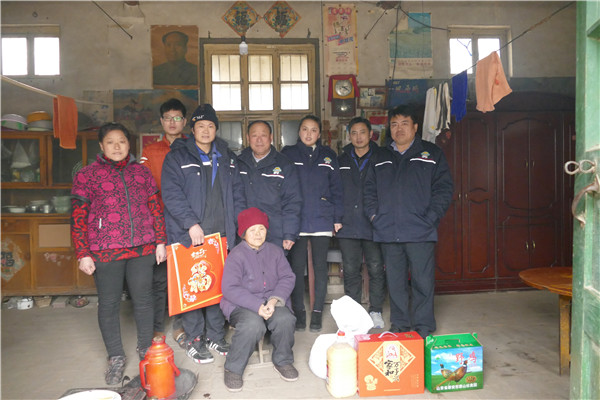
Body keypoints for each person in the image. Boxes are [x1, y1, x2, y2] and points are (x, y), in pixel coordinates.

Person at [71, 122, 167, 385]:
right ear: (101, 146)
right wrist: (82, 252)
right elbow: (78, 216)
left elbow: (155, 208)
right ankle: (115, 356)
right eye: (111, 142)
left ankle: (146, 348)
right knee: (109, 303)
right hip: (104, 251)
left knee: (144, 300)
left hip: (142, 248)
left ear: (129, 144)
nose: (117, 147)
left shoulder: (142, 173)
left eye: (122, 141)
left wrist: (160, 241)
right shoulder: (87, 175)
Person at [161, 103, 246, 364]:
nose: (206, 130)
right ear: (193, 129)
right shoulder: (177, 157)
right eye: (201, 126)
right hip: (192, 234)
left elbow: (237, 193)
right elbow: (171, 195)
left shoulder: (227, 157)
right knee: (195, 287)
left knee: (218, 287)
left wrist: (237, 227)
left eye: (210, 126)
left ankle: (215, 336)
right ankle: (195, 339)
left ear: (216, 129)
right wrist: (190, 224)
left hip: (221, 234)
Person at [364, 104, 453, 339]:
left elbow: (444, 190)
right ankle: (400, 325)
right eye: (394, 124)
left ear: (415, 127)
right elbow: (369, 190)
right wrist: (375, 216)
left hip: (420, 230)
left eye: (404, 123)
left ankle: (423, 327)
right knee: (395, 282)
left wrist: (431, 217)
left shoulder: (431, 154)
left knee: (423, 282)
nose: (399, 129)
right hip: (388, 230)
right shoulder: (380, 156)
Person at [220, 207, 298, 392]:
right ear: (243, 233)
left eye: (261, 229)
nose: (257, 234)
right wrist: (257, 306)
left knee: (285, 319)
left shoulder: (275, 251)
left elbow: (287, 277)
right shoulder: (236, 255)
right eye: (252, 230)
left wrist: (272, 301)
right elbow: (229, 288)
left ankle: (283, 360)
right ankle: (233, 368)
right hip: (243, 304)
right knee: (252, 325)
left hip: (272, 301)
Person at [281, 115, 343, 332]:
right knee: (296, 269)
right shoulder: (288, 154)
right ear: (299, 132)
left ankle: (317, 313)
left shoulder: (328, 155)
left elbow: (337, 188)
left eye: (314, 130)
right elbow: (282, 188)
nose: (309, 134)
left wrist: (337, 218)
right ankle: (299, 312)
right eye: (305, 129)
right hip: (296, 220)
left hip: (321, 218)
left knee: (319, 268)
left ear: (319, 133)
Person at [139, 98, 188, 348]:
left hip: (185, 222)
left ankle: (181, 324)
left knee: (184, 275)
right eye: (168, 118)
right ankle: (158, 326)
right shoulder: (150, 151)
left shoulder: (192, 147)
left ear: (184, 121)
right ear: (161, 121)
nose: (172, 122)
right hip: (158, 222)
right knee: (159, 278)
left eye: (177, 118)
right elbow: (143, 186)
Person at [336, 116, 386, 329]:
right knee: (350, 270)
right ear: (349, 136)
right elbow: (334, 191)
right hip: (348, 224)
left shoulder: (382, 158)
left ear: (371, 134)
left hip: (374, 224)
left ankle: (375, 310)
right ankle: (354, 312)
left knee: (376, 268)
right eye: (354, 133)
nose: (358, 137)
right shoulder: (341, 160)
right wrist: (336, 218)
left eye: (362, 132)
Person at [237, 120, 302, 251]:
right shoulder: (239, 163)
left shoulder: (284, 164)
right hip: (244, 234)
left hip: (275, 234)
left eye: (263, 135)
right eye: (254, 135)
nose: (259, 140)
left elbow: (292, 201)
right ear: (248, 138)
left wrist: (289, 233)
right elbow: (234, 198)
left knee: (274, 264)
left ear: (271, 137)